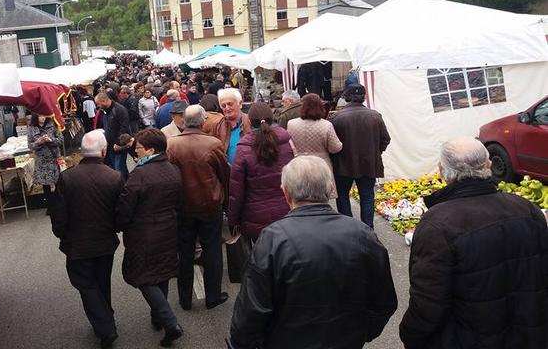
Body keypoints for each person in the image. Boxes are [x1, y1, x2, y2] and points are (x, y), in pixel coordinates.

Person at [229, 155, 397, 349]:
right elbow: (384, 302)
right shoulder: (363, 235)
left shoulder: (272, 239)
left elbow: (251, 311)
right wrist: (359, 332)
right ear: (331, 189)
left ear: (286, 194)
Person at [400, 138, 548, 349]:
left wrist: (410, 334)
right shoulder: (527, 209)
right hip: (529, 334)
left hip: (469, 338)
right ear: (488, 166)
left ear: (442, 171)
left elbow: (428, 302)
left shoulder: (437, 223)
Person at [51, 130, 124, 349]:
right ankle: (105, 317)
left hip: (77, 243)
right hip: (105, 242)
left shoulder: (67, 177)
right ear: (103, 151)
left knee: (85, 284)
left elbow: (59, 213)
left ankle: (105, 327)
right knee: (102, 282)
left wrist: (62, 234)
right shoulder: (114, 176)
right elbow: (120, 212)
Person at [116, 129, 184, 347]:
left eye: (139, 148)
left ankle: (171, 323)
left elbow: (126, 208)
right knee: (160, 273)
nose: (135, 152)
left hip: (143, 234)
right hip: (168, 229)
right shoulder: (173, 169)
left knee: (143, 277)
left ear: (151, 150)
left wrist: (119, 224)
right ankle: (159, 317)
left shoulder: (140, 174)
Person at [167, 105, 230, 311]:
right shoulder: (212, 143)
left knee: (184, 253)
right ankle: (212, 295)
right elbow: (224, 174)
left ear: (184, 121)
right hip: (209, 204)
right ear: (203, 121)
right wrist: (227, 199)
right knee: (212, 251)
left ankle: (185, 299)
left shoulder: (172, 144)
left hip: (182, 206)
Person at [227, 103, 294, 242]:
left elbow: (236, 190)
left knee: (261, 258)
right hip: (286, 212)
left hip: (254, 216)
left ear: (249, 121)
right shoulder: (286, 143)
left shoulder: (244, 149)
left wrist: (233, 219)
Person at [331, 84, 390, 228]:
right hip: (368, 163)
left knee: (343, 195)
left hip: (344, 164)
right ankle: (368, 228)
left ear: (346, 97)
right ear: (364, 97)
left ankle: (349, 227)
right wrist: (375, 152)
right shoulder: (375, 116)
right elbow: (385, 139)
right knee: (367, 196)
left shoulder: (336, 118)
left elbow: (332, 144)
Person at [287, 93, 343, 197]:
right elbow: (335, 148)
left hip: (300, 163)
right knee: (322, 195)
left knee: (302, 194)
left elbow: (289, 145)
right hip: (321, 164)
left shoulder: (291, 124)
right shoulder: (326, 125)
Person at [28, 113, 64, 214]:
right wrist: (38, 142)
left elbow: (61, 140)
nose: (42, 118)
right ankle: (50, 206)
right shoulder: (31, 128)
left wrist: (50, 140)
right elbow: (30, 146)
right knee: (45, 184)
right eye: (40, 116)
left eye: (44, 116)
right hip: (42, 159)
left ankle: (59, 204)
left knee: (58, 181)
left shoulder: (53, 125)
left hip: (54, 157)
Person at [205, 88, 251, 164]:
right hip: (227, 173)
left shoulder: (250, 122)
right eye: (223, 105)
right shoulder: (217, 126)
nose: (227, 108)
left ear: (240, 104)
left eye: (230, 104)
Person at [95, 92, 131, 179]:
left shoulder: (119, 110)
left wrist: (118, 143)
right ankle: (126, 181)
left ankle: (122, 187)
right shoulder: (105, 111)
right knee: (117, 167)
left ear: (104, 101)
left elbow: (124, 128)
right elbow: (106, 127)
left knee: (119, 168)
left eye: (98, 104)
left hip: (118, 145)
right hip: (110, 144)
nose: (98, 106)